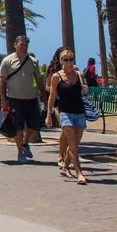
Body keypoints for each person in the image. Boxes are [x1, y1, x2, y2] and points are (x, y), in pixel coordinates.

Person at [0, 35, 46, 165]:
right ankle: (20, 152)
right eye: (21, 45)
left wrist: (44, 97)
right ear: (15, 45)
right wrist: (3, 98)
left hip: (31, 98)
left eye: (26, 45)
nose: (24, 47)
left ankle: (25, 143)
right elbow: (2, 80)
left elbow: (39, 80)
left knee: (34, 125)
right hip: (14, 98)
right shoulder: (7, 61)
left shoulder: (33, 61)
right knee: (18, 127)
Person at [45, 49, 89, 184]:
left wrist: (85, 89)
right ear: (61, 61)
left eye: (71, 59)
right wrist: (48, 115)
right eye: (66, 60)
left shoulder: (79, 75)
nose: (69, 62)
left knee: (75, 143)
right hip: (65, 113)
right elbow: (51, 97)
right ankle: (79, 172)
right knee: (71, 142)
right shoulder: (57, 77)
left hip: (79, 112)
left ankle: (65, 164)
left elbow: (84, 93)